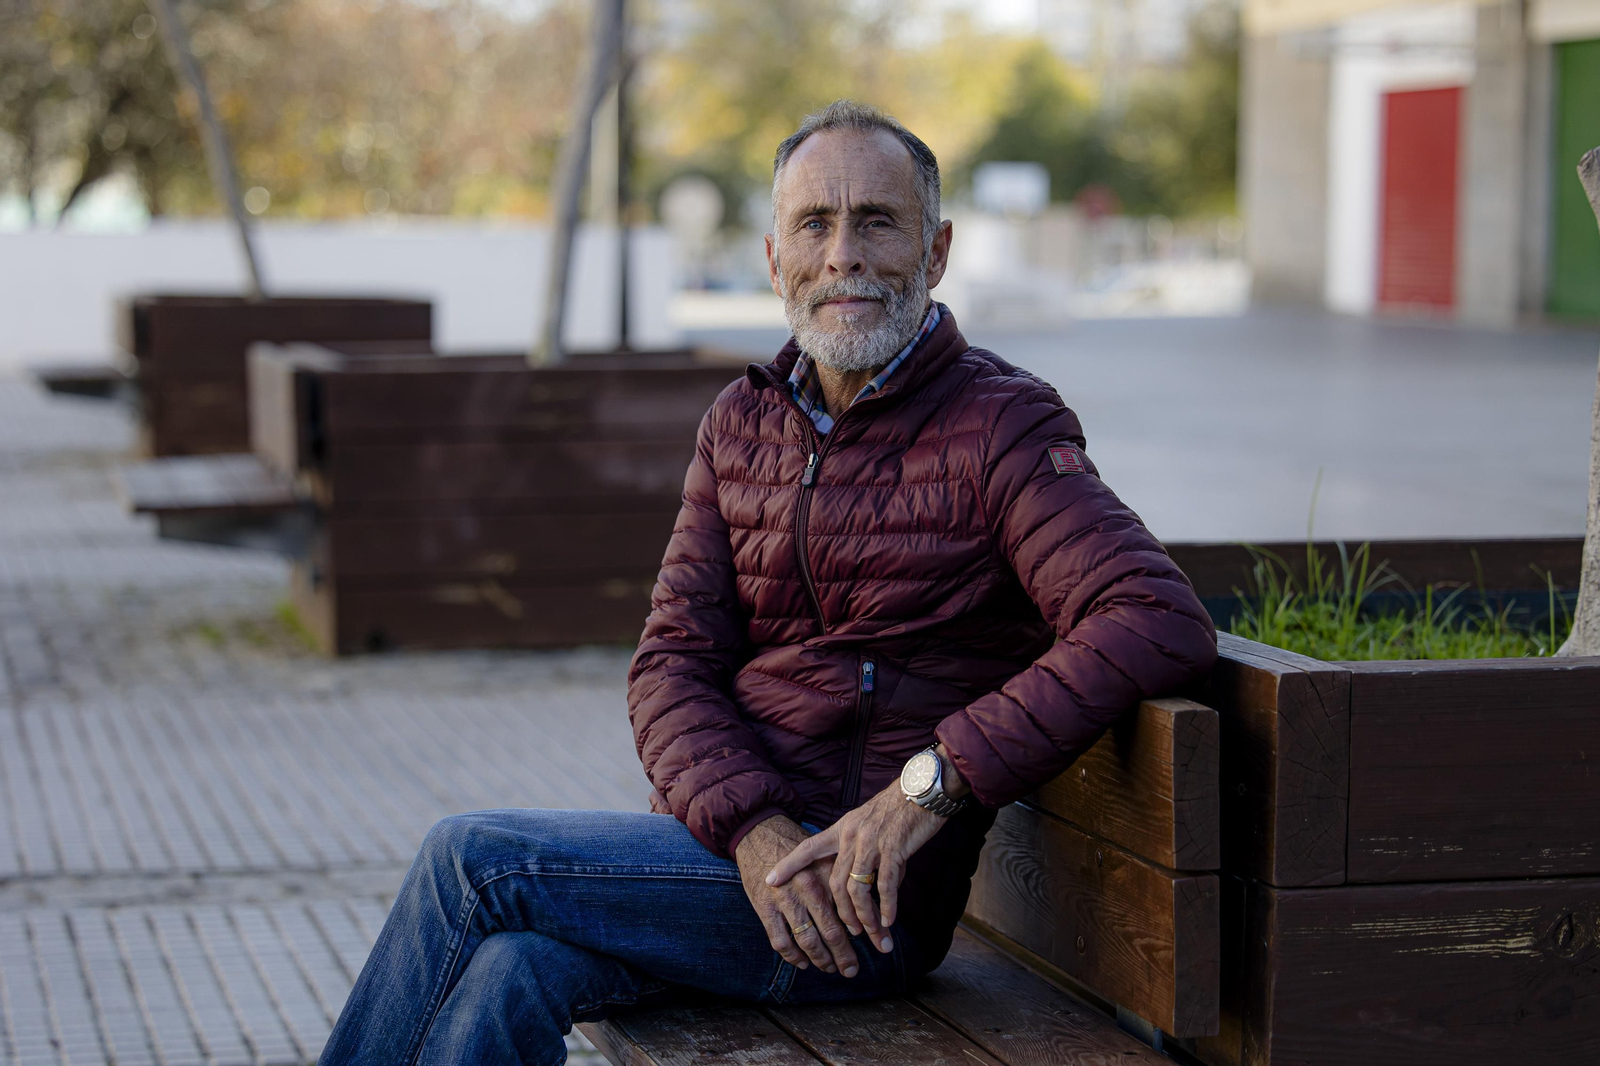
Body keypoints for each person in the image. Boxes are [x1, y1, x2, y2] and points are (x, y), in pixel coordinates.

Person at [318, 100, 1218, 1066]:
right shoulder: (742, 423)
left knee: (473, 859)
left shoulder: (1002, 426)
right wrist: (748, 828)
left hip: (865, 899)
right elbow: (671, 662)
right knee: (514, 968)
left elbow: (1152, 616)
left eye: (878, 221)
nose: (844, 256)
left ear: (937, 250)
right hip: (731, 863)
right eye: (814, 225)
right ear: (773, 254)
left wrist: (932, 787)